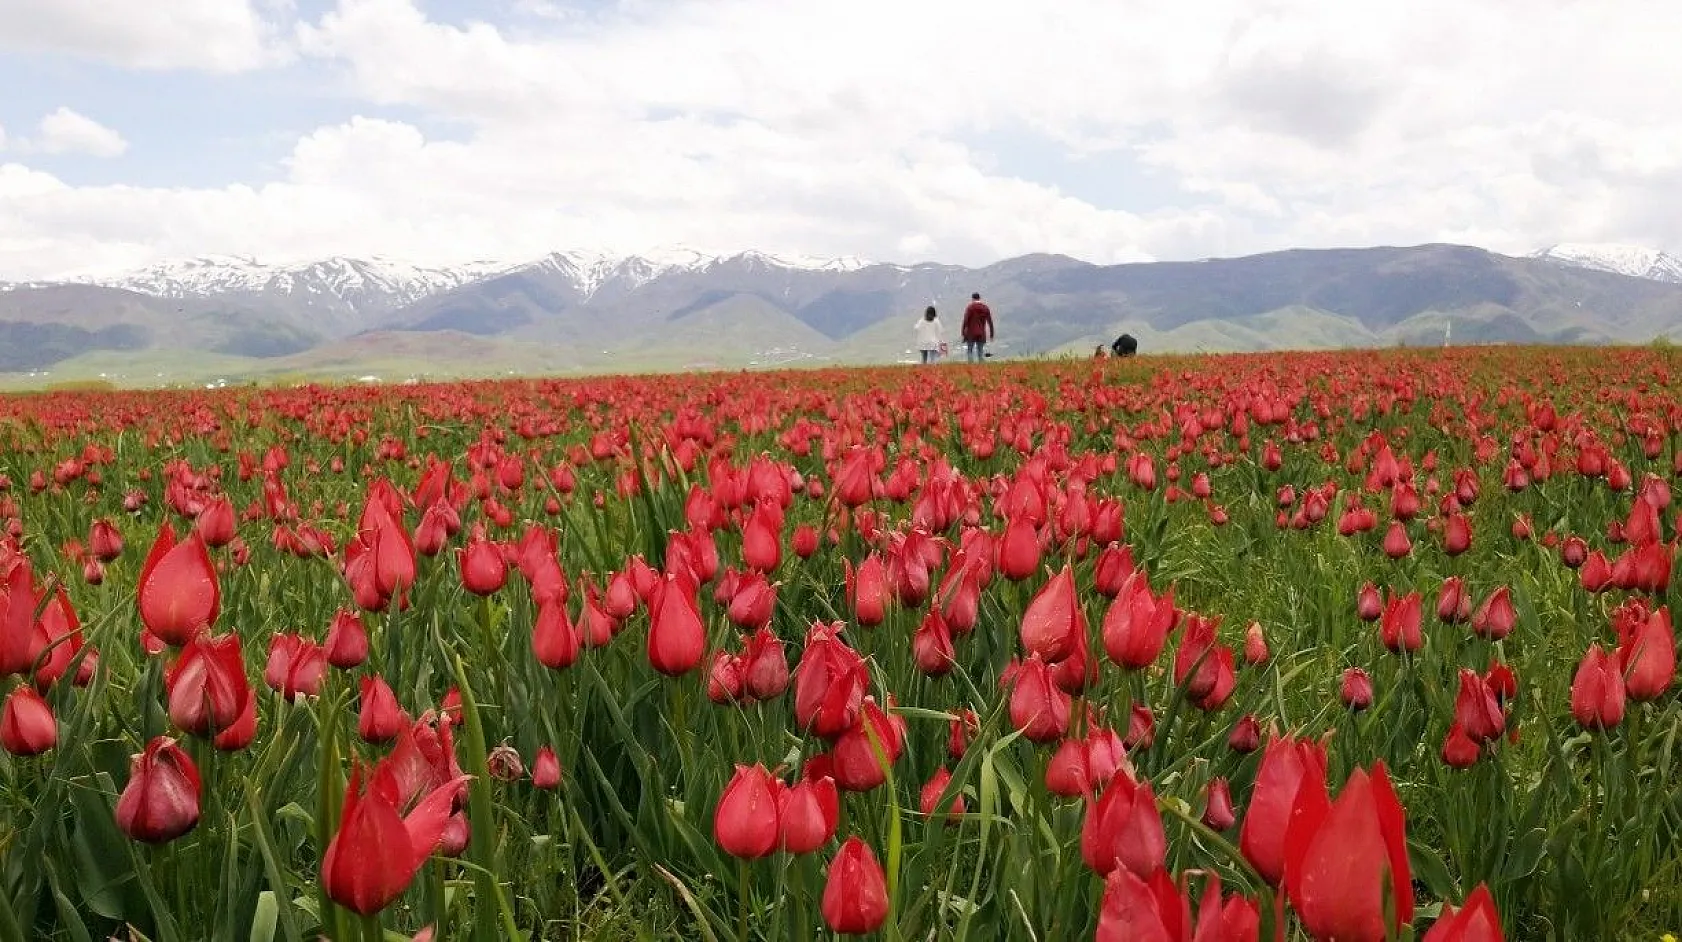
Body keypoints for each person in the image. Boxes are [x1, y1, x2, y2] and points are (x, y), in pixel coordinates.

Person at [961, 292, 994, 363]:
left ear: (972, 299)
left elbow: (965, 321)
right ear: (979, 298)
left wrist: (963, 332)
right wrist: (991, 334)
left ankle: (971, 368)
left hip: (971, 333)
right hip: (981, 333)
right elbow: (990, 322)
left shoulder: (970, 307)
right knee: (980, 352)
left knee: (970, 351)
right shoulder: (985, 308)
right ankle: (981, 369)